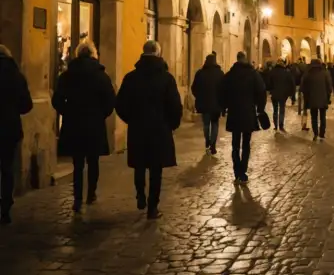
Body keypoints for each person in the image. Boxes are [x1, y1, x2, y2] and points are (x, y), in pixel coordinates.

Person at [115, 41, 182, 219]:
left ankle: (140, 195)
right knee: (155, 169)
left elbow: (120, 104)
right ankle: (152, 207)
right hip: (159, 129)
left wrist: (130, 119)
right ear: (159, 54)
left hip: (138, 128)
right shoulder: (167, 78)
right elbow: (175, 106)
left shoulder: (131, 78)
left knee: (139, 165)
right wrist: (171, 124)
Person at [51, 41, 116, 212]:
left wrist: (68, 112)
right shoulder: (101, 76)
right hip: (94, 124)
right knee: (93, 161)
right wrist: (101, 114)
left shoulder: (67, 75)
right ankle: (91, 193)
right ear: (94, 54)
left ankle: (77, 197)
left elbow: (57, 100)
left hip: (74, 123)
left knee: (77, 163)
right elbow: (110, 100)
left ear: (77, 54)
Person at [219, 51, 267, 182]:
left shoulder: (230, 75)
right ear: (245, 59)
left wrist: (224, 107)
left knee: (235, 144)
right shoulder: (253, 74)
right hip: (248, 113)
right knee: (246, 144)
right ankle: (243, 172)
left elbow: (222, 92)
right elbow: (262, 91)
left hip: (234, 113)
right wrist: (260, 108)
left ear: (237, 59)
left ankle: (237, 170)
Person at [0, 45, 33, 225]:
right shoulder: (16, 76)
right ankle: (5, 208)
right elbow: (26, 105)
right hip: (8, 128)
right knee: (6, 168)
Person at [191, 52, 224, 155]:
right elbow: (224, 89)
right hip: (217, 104)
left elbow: (194, 88)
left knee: (206, 124)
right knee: (215, 124)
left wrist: (199, 97)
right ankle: (213, 145)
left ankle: (207, 141)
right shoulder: (220, 73)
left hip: (204, 104)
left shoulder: (200, 73)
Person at [300, 58, 333, 141]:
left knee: (314, 117)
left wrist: (306, 98)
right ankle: (322, 134)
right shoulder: (325, 73)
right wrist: (328, 97)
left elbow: (303, 88)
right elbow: (329, 87)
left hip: (311, 99)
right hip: (323, 99)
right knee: (322, 117)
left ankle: (315, 133)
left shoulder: (307, 74)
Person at [269, 59, 295, 131]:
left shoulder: (272, 72)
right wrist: (291, 94)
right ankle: (281, 125)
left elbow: (269, 83)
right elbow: (291, 83)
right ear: (283, 64)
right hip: (283, 94)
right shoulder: (286, 72)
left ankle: (275, 125)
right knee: (282, 110)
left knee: (275, 110)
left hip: (274, 94)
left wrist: (271, 91)